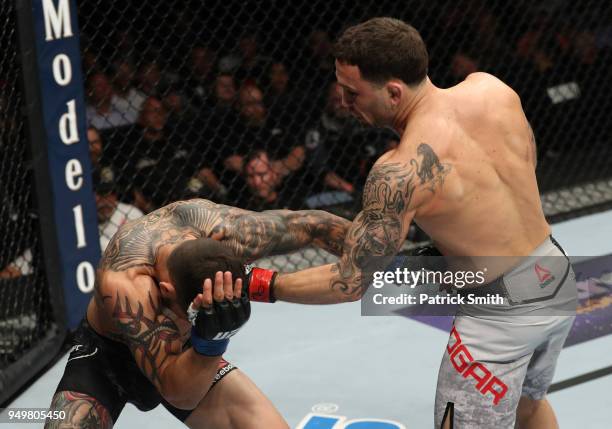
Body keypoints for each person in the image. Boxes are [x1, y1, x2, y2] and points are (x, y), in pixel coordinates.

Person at [239, 18, 577, 429]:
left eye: (352, 93)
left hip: (499, 316)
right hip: (555, 274)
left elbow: (349, 282)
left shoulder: (399, 171)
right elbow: (526, 161)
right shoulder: (491, 89)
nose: (344, 103)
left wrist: (257, 284)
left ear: (394, 91)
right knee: (527, 405)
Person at [46, 198, 350, 428]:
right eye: (190, 312)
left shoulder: (226, 231)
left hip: (186, 352)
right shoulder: (126, 282)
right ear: (165, 291)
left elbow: (315, 224)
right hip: (108, 357)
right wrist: (212, 342)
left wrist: (389, 257)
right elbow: (178, 391)